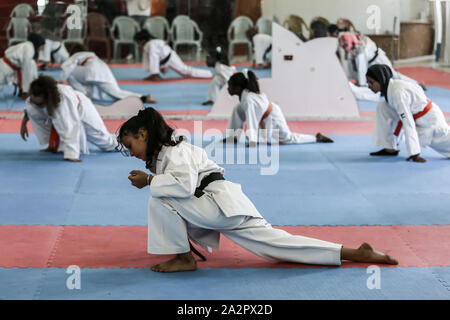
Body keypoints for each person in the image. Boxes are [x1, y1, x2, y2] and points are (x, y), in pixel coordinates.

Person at [117, 107, 398, 273]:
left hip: (215, 205)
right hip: (225, 204)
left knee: (159, 199)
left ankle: (183, 257)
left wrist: (150, 181)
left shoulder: (175, 151)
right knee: (276, 244)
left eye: (130, 146)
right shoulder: (169, 152)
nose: (131, 154)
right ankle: (353, 252)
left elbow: (184, 186)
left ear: (143, 134)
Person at [20, 75, 118, 162]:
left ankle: (125, 140)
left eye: (40, 103)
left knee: (106, 143)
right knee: (39, 112)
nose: (36, 105)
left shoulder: (63, 101)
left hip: (82, 108)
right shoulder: (36, 93)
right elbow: (31, 110)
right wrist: (23, 124)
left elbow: (70, 127)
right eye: (34, 100)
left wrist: (71, 154)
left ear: (47, 98)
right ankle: (53, 145)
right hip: (54, 107)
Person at [224, 70, 334, 146]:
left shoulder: (248, 99)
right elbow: (243, 114)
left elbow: (251, 119)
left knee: (288, 139)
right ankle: (233, 136)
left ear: (238, 88)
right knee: (237, 110)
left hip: (272, 115)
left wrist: (252, 140)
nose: (228, 88)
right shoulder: (245, 96)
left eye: (230, 86)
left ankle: (316, 138)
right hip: (265, 115)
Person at [367, 64, 450, 162]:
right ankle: (390, 148)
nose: (369, 86)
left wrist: (414, 153)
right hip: (416, 115)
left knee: (440, 140)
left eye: (371, 82)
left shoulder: (398, 94)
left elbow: (407, 121)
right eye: (368, 83)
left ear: (380, 80)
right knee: (383, 107)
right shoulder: (390, 88)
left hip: (429, 120)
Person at [60, 44, 157, 103]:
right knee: (115, 92)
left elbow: (67, 65)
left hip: (90, 72)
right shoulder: (92, 56)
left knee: (70, 73)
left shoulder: (77, 54)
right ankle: (143, 97)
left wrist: (60, 80)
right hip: (103, 71)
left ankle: (84, 94)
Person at [133, 30, 213, 81]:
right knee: (185, 73)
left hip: (170, 59)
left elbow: (154, 57)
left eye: (138, 42)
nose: (138, 44)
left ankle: (209, 74)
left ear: (142, 40)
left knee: (185, 71)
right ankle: (153, 74)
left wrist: (155, 73)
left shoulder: (151, 44)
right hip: (167, 59)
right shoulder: (150, 44)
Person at [0, 33, 45, 99]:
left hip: (9, 67)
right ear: (38, 43)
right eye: (42, 46)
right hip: (4, 67)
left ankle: (24, 90)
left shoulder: (26, 45)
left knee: (31, 66)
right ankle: (24, 91)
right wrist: (25, 91)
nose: (42, 48)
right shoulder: (29, 49)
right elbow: (26, 71)